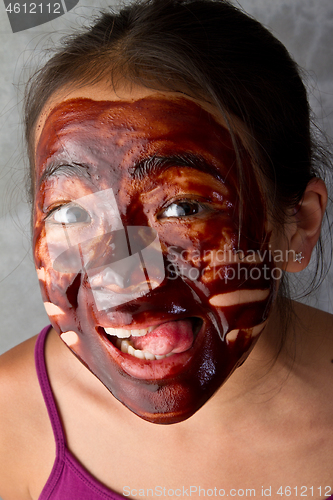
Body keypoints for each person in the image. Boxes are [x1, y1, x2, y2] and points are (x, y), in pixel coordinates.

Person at [0, 0, 332, 498]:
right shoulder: (9, 422)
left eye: (182, 209)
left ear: (299, 224)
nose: (123, 277)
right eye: (70, 214)